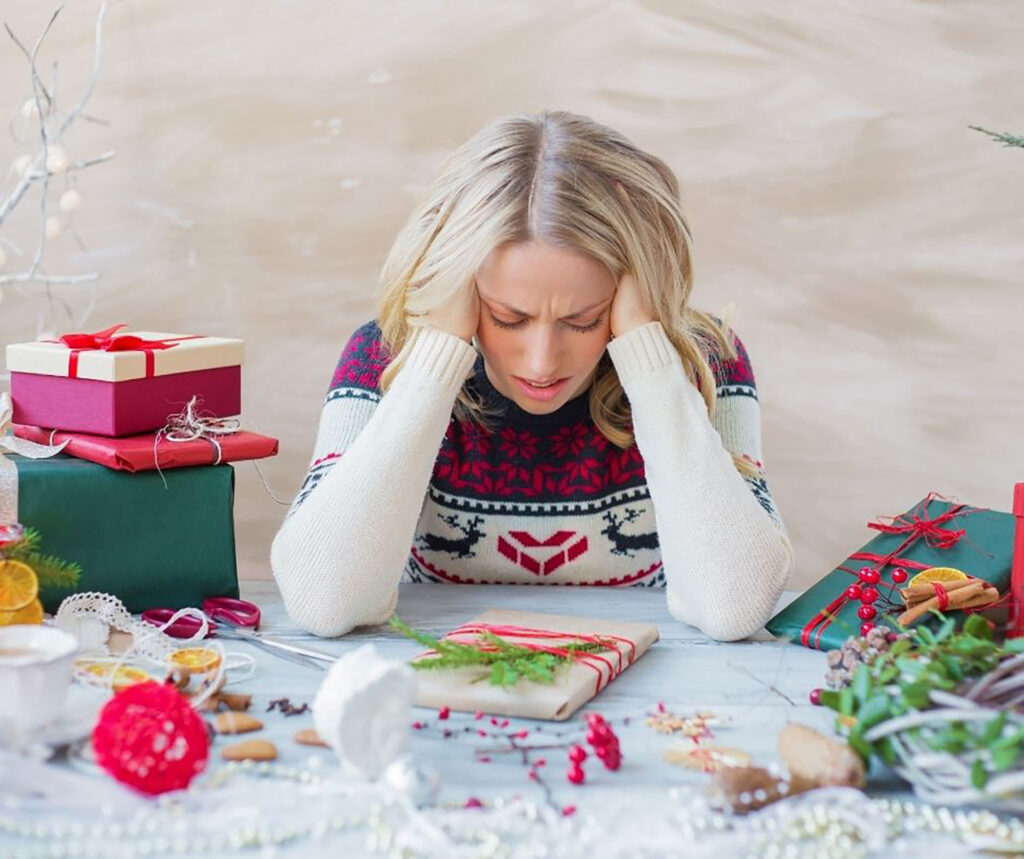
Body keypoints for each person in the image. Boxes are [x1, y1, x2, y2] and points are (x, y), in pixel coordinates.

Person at [271, 109, 794, 641]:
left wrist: (647, 351)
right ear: (464, 289)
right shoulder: (383, 357)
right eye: (508, 318)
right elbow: (323, 600)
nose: (542, 362)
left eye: (583, 320)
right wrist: (436, 357)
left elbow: (734, 605)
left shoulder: (706, 361)